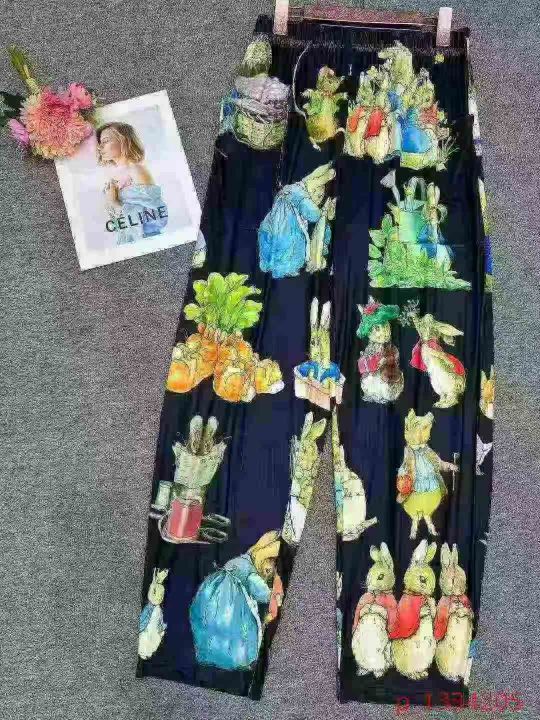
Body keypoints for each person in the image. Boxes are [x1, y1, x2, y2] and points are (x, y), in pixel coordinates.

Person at [96, 122, 168, 244]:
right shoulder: (112, 176)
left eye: (106, 141)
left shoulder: (136, 170)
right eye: (100, 142)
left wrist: (115, 203)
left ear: (124, 141)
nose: (100, 147)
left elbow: (158, 217)